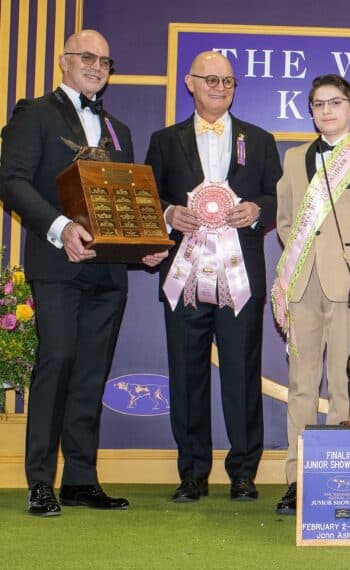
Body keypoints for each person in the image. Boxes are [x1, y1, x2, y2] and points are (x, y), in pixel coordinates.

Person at [0, 30, 167, 516]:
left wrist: (141, 250)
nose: (97, 66)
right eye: (87, 57)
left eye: (105, 61)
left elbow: (122, 205)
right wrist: (59, 227)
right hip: (58, 265)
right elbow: (10, 182)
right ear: (63, 62)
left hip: (107, 275)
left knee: (91, 373)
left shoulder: (119, 129)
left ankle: (80, 478)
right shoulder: (34, 113)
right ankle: (39, 482)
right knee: (57, 364)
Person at [146, 51, 281, 503]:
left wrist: (259, 209)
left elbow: (279, 197)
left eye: (227, 81)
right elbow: (150, 198)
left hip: (240, 277)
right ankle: (192, 473)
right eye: (210, 79)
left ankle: (244, 472)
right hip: (183, 275)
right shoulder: (164, 140)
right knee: (186, 375)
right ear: (190, 82)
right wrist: (168, 213)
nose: (220, 87)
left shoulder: (260, 140)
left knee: (243, 374)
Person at [271, 74, 350, 515]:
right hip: (302, 284)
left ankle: (347, 474)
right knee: (301, 385)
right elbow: (287, 220)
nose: (326, 111)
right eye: (318, 104)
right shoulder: (293, 157)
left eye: (335, 102)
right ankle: (296, 479)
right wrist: (301, 257)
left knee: (346, 384)